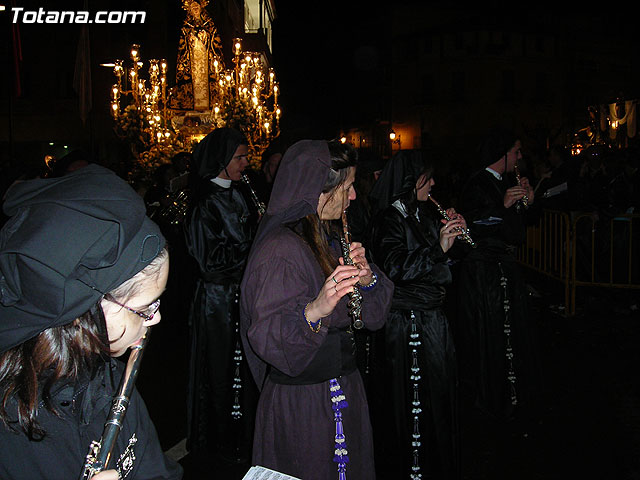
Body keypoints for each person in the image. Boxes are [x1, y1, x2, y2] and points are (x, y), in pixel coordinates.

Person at [0, 164, 182, 480]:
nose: (156, 318)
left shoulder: (108, 376)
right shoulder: (13, 424)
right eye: (144, 308)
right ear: (83, 314)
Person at [239, 139, 394, 480]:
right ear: (319, 189)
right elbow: (270, 340)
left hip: (341, 390)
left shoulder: (329, 235)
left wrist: (367, 281)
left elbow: (372, 318)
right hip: (304, 406)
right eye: (348, 187)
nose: (353, 197)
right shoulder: (280, 249)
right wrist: (315, 310)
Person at [367, 150, 465, 479]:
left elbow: (441, 261)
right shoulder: (389, 219)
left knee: (437, 394)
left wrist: (453, 237)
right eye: (428, 177)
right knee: (415, 400)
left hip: (429, 320)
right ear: (411, 181)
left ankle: (436, 462)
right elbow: (394, 267)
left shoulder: (419, 212)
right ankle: (415, 468)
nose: (434, 183)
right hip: (410, 323)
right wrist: (438, 247)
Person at [454, 128, 541, 425]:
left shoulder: (506, 182)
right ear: (501, 154)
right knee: (489, 332)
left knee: (512, 331)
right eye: (515, 152)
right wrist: (501, 206)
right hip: (485, 271)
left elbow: (523, 223)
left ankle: (512, 392)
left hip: (505, 266)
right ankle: (489, 396)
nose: (519, 158)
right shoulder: (477, 183)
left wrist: (528, 201)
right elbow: (471, 225)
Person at [183, 127, 259, 463]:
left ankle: (245, 435)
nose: (246, 162)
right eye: (240, 157)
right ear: (221, 160)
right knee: (219, 369)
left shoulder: (241, 193)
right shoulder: (204, 204)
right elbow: (209, 261)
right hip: (217, 302)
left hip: (240, 295)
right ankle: (218, 441)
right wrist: (253, 250)